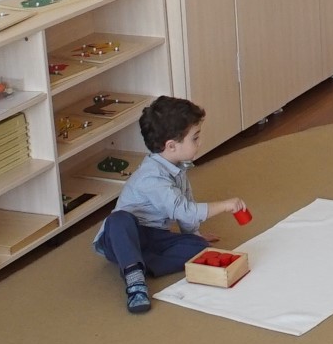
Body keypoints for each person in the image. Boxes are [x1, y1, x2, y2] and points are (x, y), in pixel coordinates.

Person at [93, 97, 246, 314]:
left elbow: (186, 205)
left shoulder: (177, 168)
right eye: (195, 138)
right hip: (122, 236)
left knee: (199, 247)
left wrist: (193, 234)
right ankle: (135, 279)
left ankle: (136, 262)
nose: (199, 143)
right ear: (171, 146)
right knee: (119, 220)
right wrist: (225, 205)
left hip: (153, 235)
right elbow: (184, 211)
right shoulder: (151, 177)